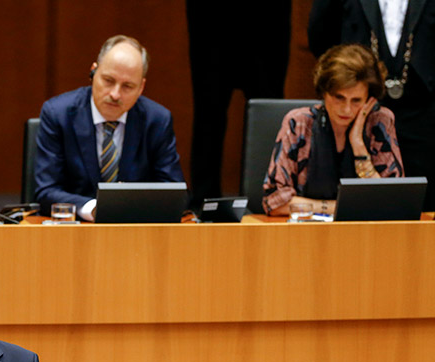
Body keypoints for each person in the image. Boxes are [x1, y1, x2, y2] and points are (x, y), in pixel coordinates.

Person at [34, 35, 184, 221]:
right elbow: (46, 191)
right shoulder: (58, 114)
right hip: (73, 232)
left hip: (135, 233)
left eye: (127, 86)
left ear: (141, 87)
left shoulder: (157, 121)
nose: (115, 94)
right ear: (93, 72)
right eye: (108, 80)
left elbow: (173, 192)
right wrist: (96, 208)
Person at [308, 0, 435, 211]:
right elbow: (321, 34)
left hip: (425, 111)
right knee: (359, 207)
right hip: (358, 109)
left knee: (424, 208)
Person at [263, 44, 404, 215]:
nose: (346, 109)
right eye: (339, 97)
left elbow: (393, 201)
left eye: (356, 100)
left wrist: (359, 146)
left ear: (369, 100)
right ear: (324, 93)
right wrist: (341, 208)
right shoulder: (299, 123)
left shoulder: (379, 122)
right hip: (305, 232)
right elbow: (274, 201)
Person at [186, 0, 291, 208]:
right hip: (211, 18)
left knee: (267, 110)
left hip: (267, 18)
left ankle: (268, 195)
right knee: (208, 113)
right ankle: (203, 201)